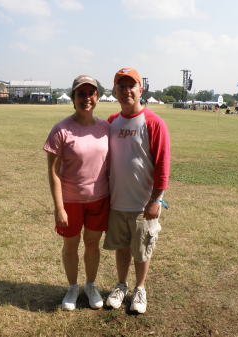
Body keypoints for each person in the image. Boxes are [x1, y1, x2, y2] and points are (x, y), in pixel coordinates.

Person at [103, 67, 170, 314]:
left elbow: (163, 164)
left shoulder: (154, 122)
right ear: (115, 91)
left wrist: (157, 200)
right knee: (122, 247)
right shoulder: (111, 122)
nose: (126, 90)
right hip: (117, 201)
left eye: (131, 86)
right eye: (121, 86)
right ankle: (121, 285)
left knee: (142, 250)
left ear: (140, 90)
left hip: (143, 204)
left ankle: (140, 289)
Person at [43, 75, 109, 311]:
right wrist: (59, 207)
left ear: (97, 98)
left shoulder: (106, 128)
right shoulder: (61, 130)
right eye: (81, 94)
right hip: (70, 200)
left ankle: (90, 286)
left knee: (92, 245)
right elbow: (53, 172)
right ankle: (72, 287)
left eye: (91, 93)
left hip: (99, 199)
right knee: (70, 246)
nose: (86, 98)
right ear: (73, 98)